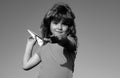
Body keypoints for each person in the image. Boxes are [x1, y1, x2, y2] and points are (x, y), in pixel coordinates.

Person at [23, 2, 78, 78]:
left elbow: (68, 42)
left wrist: (60, 38)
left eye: (64, 24)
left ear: (69, 28)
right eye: (55, 23)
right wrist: (29, 45)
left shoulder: (71, 40)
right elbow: (26, 66)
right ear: (49, 24)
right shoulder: (43, 48)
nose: (59, 27)